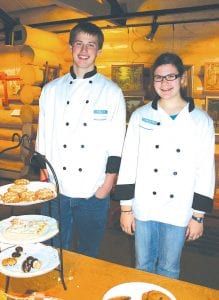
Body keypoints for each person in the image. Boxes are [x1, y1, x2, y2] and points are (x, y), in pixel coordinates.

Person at [113, 52, 215, 279]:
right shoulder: (140, 115)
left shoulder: (201, 120)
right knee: (143, 265)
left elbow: (205, 171)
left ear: (182, 79)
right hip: (144, 205)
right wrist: (126, 209)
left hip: (179, 207)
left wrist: (198, 217)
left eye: (171, 77)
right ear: (153, 82)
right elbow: (129, 162)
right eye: (159, 78)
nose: (165, 83)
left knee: (169, 268)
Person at [36, 22, 126, 257]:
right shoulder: (51, 90)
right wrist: (44, 180)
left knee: (89, 254)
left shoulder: (111, 92)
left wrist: (106, 187)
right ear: (70, 47)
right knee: (55, 250)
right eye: (79, 43)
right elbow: (42, 137)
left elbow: (117, 144)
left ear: (98, 51)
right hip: (56, 188)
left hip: (93, 189)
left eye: (91, 45)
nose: (84, 50)